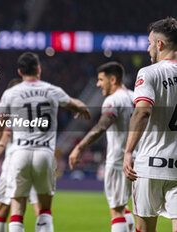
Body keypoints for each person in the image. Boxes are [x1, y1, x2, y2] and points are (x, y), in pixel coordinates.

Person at [0, 52, 91, 232]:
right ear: (39, 69)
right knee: (44, 210)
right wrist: (81, 108)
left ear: (20, 72)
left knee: (17, 211)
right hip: (44, 154)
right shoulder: (51, 90)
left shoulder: (10, 93)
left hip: (19, 153)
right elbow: (74, 104)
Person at [123, 17, 177, 232]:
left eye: (149, 43)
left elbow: (142, 111)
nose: (148, 48)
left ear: (159, 44)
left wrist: (128, 151)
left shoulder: (149, 73)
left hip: (150, 165)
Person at [68, 61, 135, 232]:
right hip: (136, 161)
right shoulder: (136, 97)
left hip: (119, 160)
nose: (98, 84)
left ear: (113, 79)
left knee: (117, 210)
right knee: (126, 207)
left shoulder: (112, 100)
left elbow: (102, 126)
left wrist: (79, 147)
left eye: (100, 80)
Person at [0, 78, 39, 232]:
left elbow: (5, 133)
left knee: (3, 208)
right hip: (38, 159)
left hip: (15, 159)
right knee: (41, 209)